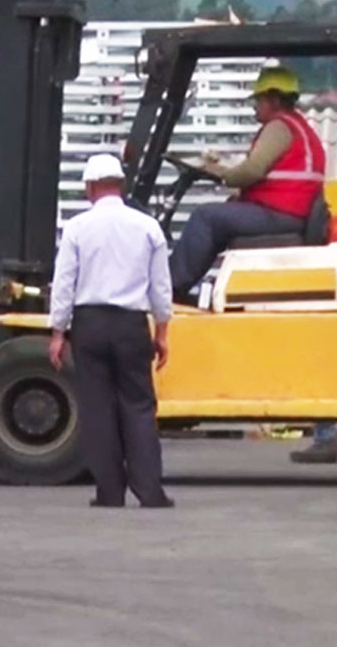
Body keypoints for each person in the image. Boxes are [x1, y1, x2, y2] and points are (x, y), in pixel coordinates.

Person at [49, 153, 175, 509]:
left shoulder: (77, 228)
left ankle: (109, 492)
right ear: (120, 185)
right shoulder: (148, 227)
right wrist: (162, 330)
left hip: (89, 325)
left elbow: (64, 284)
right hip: (131, 325)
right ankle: (150, 491)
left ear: (90, 187)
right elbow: (160, 287)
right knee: (138, 406)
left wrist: (58, 332)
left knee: (98, 408)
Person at [170, 66, 325, 297]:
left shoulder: (278, 127)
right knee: (223, 215)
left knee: (205, 216)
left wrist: (222, 175)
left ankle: (169, 287)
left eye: (259, 100)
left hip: (280, 216)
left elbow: (253, 169)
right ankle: (184, 290)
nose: (255, 106)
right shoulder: (300, 128)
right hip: (289, 213)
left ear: (274, 100)